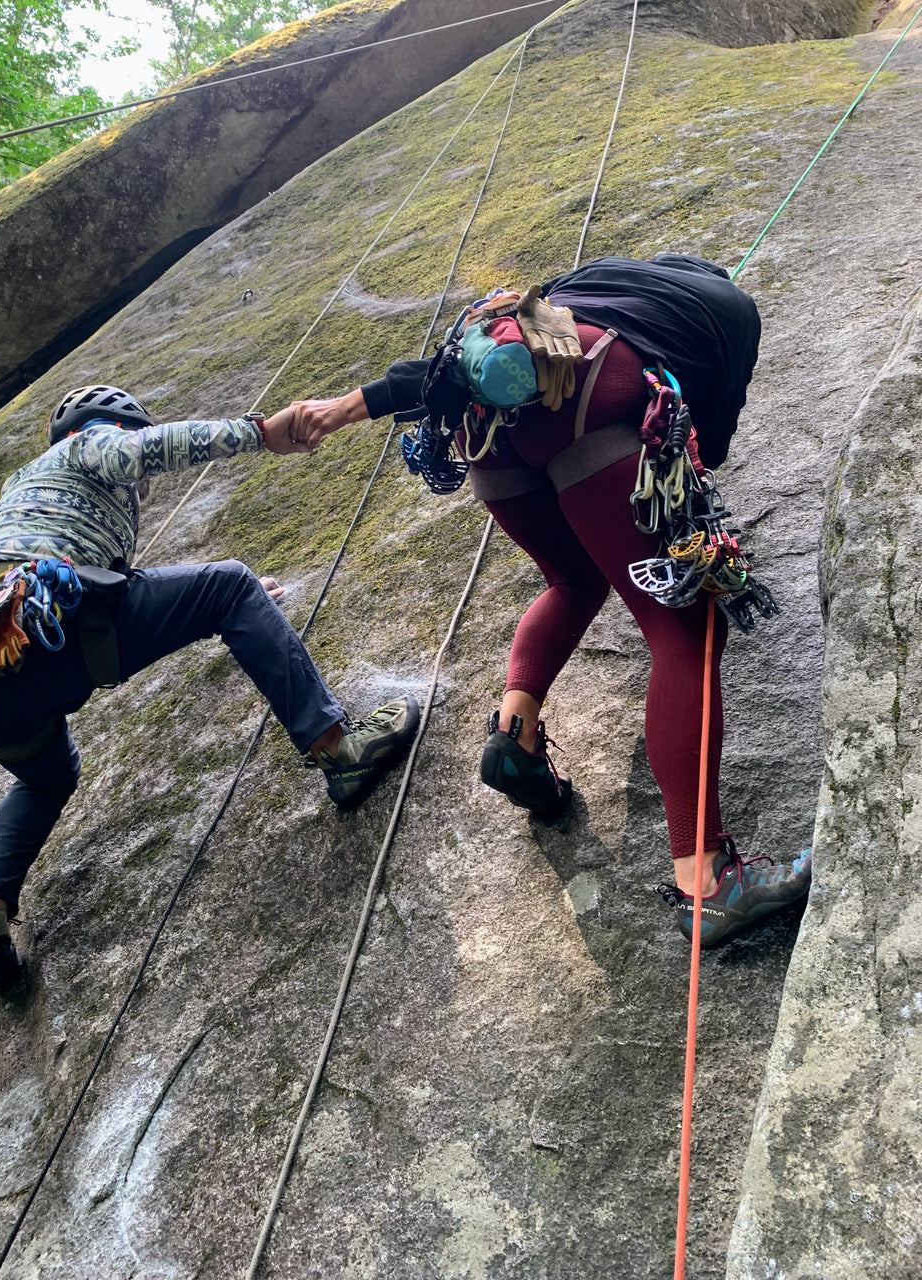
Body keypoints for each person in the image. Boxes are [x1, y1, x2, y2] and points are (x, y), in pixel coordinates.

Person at [289, 255, 811, 950]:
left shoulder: (575, 289)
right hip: (594, 405)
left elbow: (442, 372)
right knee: (683, 628)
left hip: (491, 436)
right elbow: (700, 442)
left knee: (573, 581)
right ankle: (709, 881)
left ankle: (517, 734)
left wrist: (341, 407)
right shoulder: (731, 312)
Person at [0, 385, 419, 989]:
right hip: (53, 622)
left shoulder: (22, 493)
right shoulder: (83, 447)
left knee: (46, 778)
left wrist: (251, 614)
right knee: (229, 584)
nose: (136, 496)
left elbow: (128, 591)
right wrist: (260, 433)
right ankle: (339, 750)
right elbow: (145, 451)